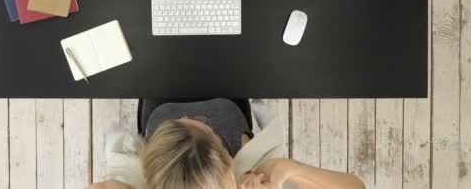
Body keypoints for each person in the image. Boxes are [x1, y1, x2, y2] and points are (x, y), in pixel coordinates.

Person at [91, 98, 365, 189]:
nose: (189, 116)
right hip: (229, 103)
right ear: (226, 164)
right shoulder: (261, 181)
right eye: (209, 132)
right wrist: (289, 168)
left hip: (159, 102)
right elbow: (356, 187)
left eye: (182, 121)